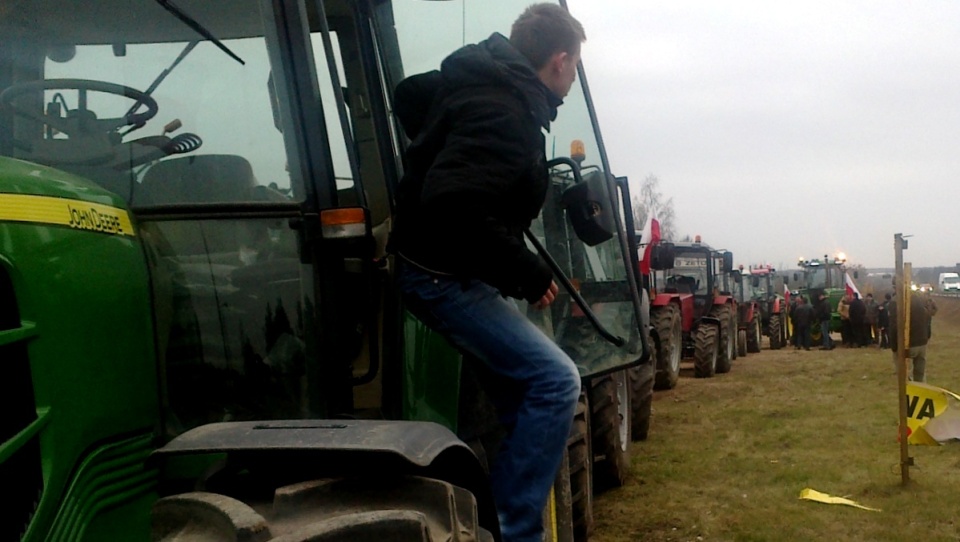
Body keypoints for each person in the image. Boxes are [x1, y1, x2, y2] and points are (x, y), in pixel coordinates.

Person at [389, 6, 585, 540]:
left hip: (448, 267)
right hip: (440, 276)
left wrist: (434, 142)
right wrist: (524, 271)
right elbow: (452, 201)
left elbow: (409, 96)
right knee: (556, 380)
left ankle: (497, 516)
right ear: (560, 60)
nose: (571, 77)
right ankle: (514, 532)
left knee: (526, 399)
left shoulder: (478, 80)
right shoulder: (507, 111)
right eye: (575, 65)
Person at [889, 290, 937, 382]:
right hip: (922, 342)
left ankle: (907, 390)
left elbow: (894, 325)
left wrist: (894, 346)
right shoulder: (920, 299)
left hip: (908, 343)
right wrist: (927, 336)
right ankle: (921, 391)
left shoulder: (896, 301)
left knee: (904, 372)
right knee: (920, 373)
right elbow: (928, 317)